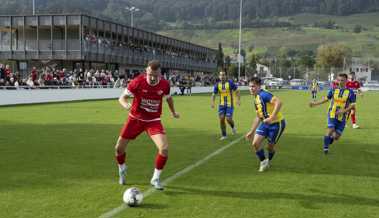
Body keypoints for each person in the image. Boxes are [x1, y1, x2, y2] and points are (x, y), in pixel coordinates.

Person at [114, 60, 180, 190]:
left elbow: (168, 98)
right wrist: (126, 104)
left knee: (164, 149)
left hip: (153, 121)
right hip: (135, 119)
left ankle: (155, 179)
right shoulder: (138, 81)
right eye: (150, 74)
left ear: (160, 74)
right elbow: (121, 98)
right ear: (146, 71)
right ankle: (122, 169)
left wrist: (173, 112)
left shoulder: (165, 84)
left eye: (156, 75)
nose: (153, 78)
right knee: (118, 149)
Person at [245, 77, 286, 172]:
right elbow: (258, 117)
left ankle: (269, 160)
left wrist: (271, 118)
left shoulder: (264, 94)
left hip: (277, 124)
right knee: (255, 143)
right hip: (265, 123)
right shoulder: (256, 98)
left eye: (253, 86)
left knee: (269, 147)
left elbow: (279, 102)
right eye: (250, 86)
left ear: (259, 86)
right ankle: (263, 162)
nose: (251, 88)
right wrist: (251, 131)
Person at [309, 73, 356, 154]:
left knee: (336, 137)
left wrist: (343, 111)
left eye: (342, 80)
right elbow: (326, 99)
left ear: (346, 81)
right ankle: (325, 149)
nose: (340, 82)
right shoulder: (333, 90)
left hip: (343, 117)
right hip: (332, 113)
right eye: (339, 80)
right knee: (330, 129)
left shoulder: (350, 92)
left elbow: (353, 106)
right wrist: (315, 104)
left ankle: (328, 140)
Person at [211, 71, 240, 140]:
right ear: (219, 76)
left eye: (223, 75)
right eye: (221, 75)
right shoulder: (217, 85)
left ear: (226, 76)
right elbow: (213, 94)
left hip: (230, 104)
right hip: (221, 105)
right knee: (221, 119)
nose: (222, 77)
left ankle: (233, 127)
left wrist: (238, 100)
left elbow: (237, 91)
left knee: (228, 119)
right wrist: (212, 102)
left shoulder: (230, 83)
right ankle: (224, 135)